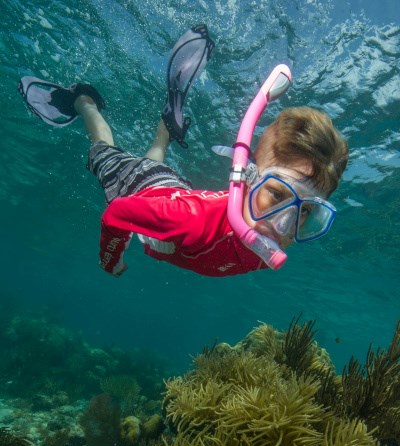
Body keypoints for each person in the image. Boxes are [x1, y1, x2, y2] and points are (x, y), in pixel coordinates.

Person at [19, 25, 348, 278]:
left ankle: (167, 126)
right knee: (101, 150)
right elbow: (116, 213)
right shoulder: (188, 222)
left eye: (305, 211)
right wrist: (113, 260)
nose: (283, 225)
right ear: (246, 177)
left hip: (170, 188)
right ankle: (83, 100)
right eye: (275, 195)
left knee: (154, 161)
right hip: (136, 186)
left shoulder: (262, 242)